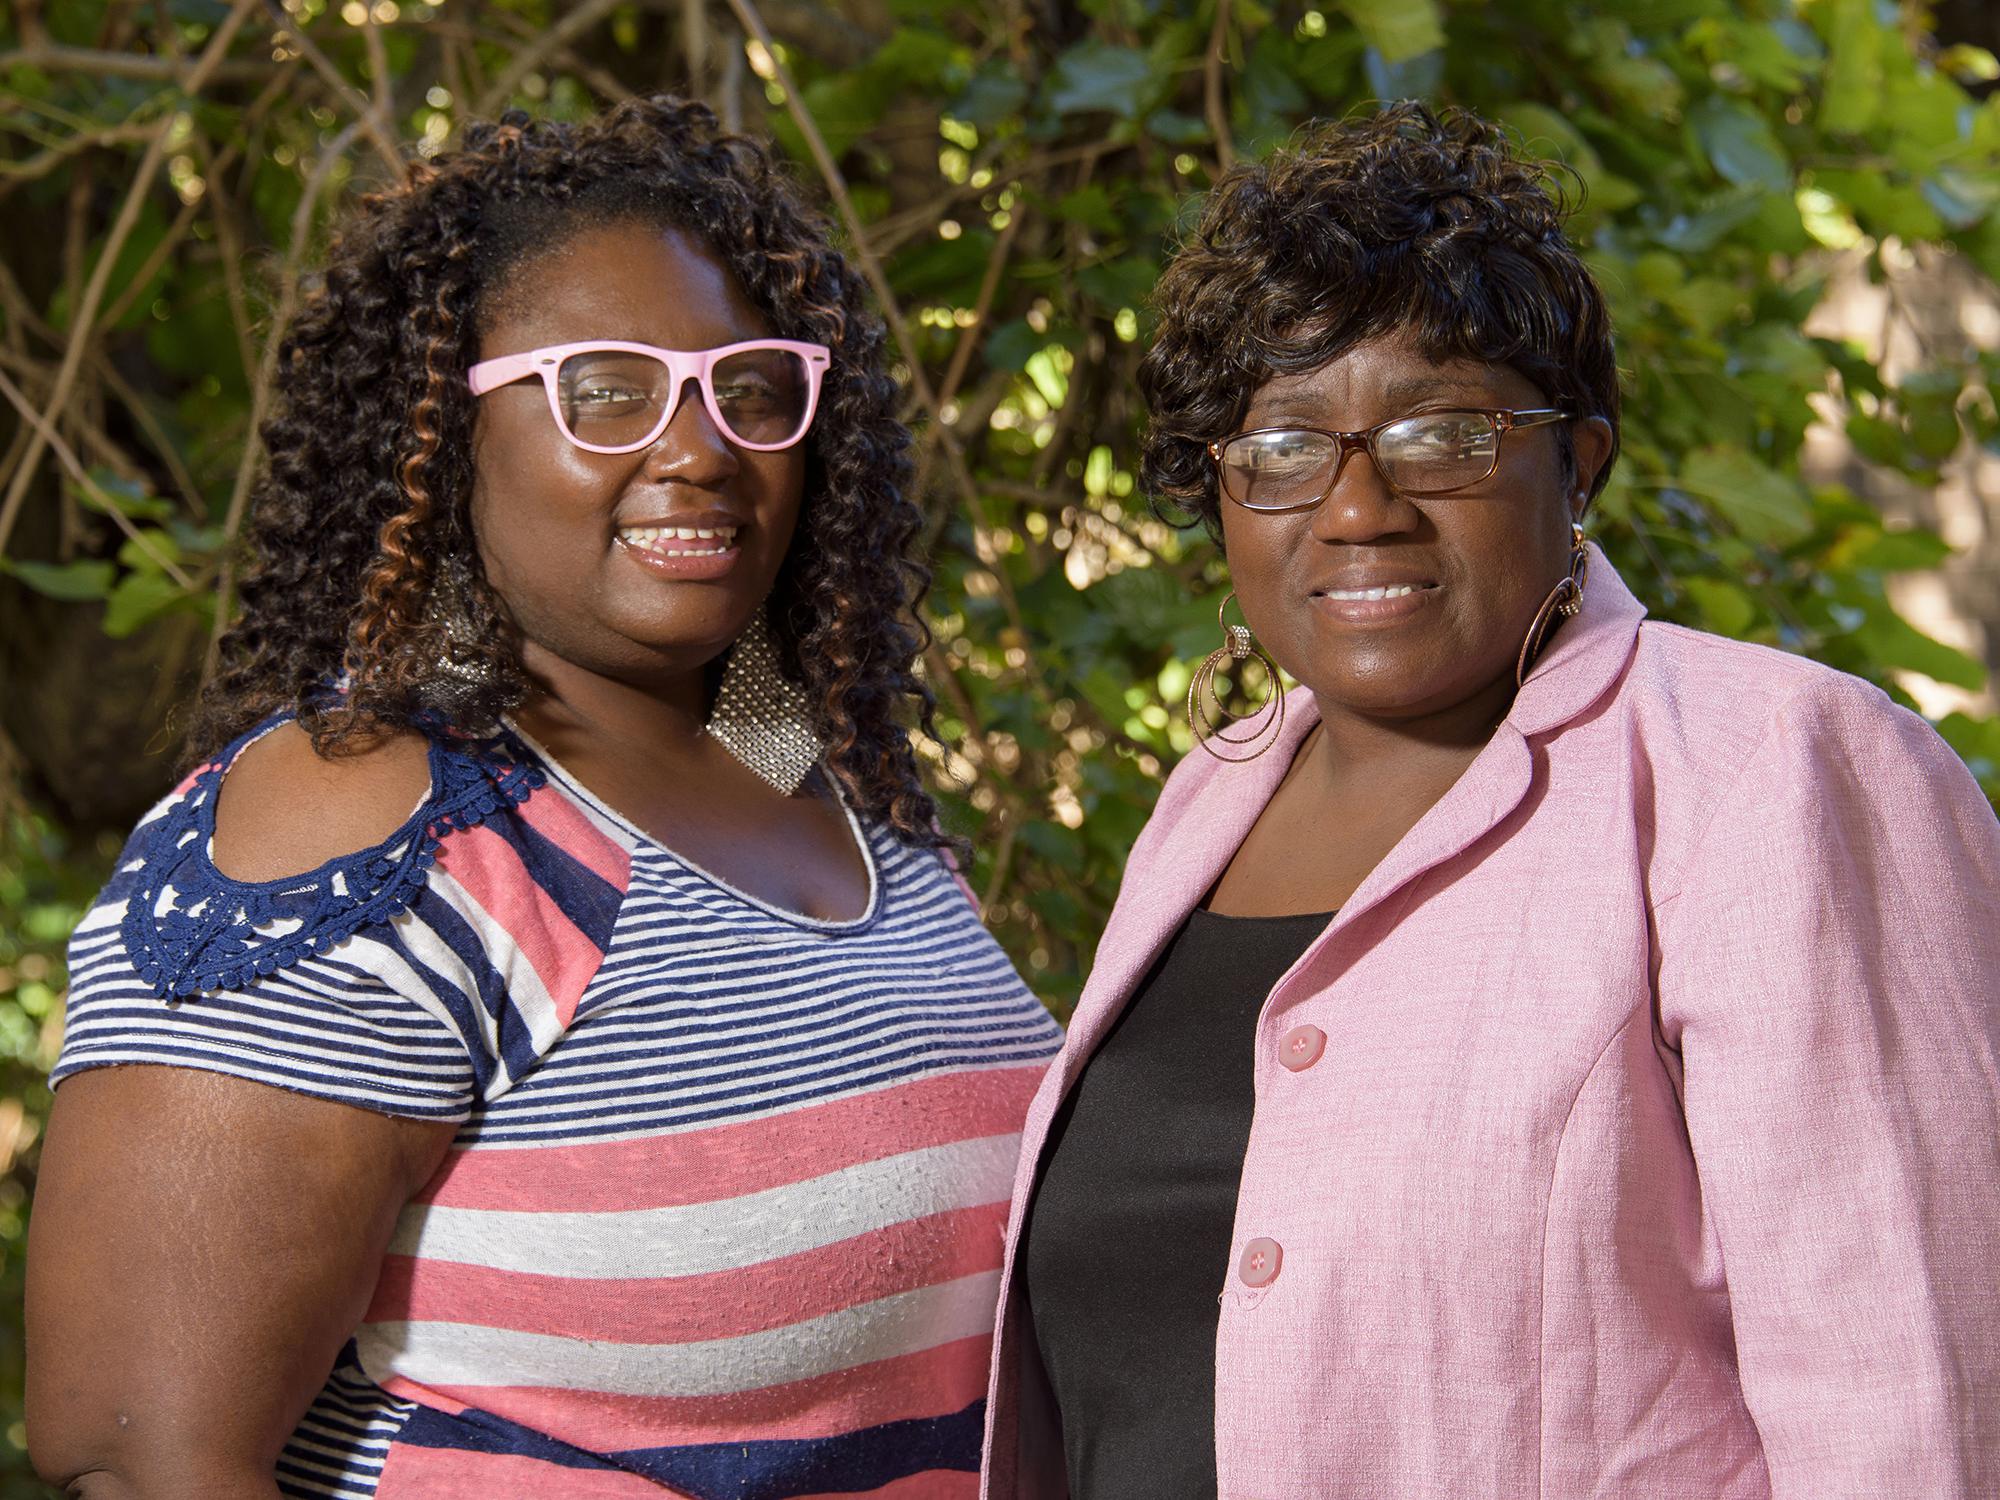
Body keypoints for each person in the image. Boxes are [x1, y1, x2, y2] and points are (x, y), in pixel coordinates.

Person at [27, 96, 1060, 1499]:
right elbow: (140, 1463)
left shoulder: (823, 781)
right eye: (607, 387)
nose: (699, 447)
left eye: (749, 389)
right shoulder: (370, 833)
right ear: (439, 434)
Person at [981, 103, 2000, 1499]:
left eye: (1441, 431)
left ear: (1573, 463)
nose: (1357, 507)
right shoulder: (1205, 804)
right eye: (1283, 444)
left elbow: (1916, 1418)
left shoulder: (1771, 771)